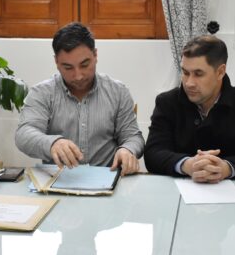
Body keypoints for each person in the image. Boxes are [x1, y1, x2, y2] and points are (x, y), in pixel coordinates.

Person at [15, 22, 144, 175]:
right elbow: (23, 134)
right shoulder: (42, 93)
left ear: (95, 55)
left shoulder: (118, 92)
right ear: (56, 62)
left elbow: (133, 137)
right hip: (59, 180)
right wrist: (52, 143)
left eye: (84, 64)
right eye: (68, 67)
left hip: (106, 180)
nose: (78, 75)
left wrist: (127, 149)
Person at [144, 34, 235, 181]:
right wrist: (187, 165)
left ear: (220, 72)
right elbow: (152, 154)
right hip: (178, 195)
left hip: (233, 194)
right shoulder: (167, 102)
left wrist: (226, 168)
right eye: (185, 73)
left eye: (198, 74)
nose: (189, 83)